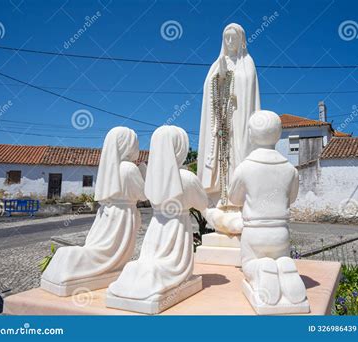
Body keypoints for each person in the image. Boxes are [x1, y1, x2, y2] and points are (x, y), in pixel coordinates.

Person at [41, 127, 145, 294]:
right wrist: (143, 172)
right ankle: (74, 262)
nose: (137, 148)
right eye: (135, 143)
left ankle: (67, 261)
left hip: (107, 213)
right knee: (111, 252)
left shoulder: (111, 167)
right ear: (127, 145)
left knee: (99, 246)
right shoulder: (128, 168)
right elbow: (143, 194)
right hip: (123, 215)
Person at [108, 126, 208, 300]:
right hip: (177, 228)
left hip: (156, 228)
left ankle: (141, 276)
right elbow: (202, 203)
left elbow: (144, 195)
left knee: (149, 260)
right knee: (169, 265)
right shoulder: (187, 177)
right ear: (179, 148)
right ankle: (154, 278)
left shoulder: (153, 179)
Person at [228, 111, 307, 307]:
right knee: (280, 257)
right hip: (280, 232)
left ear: (251, 134)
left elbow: (234, 198)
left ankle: (260, 269)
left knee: (248, 264)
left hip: (255, 232)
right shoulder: (290, 169)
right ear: (279, 134)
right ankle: (283, 265)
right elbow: (292, 198)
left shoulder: (245, 167)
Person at [198, 23, 260, 202]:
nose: (230, 41)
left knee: (238, 153)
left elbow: (247, 88)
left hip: (239, 117)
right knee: (221, 155)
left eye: (234, 37)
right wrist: (221, 76)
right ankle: (222, 196)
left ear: (241, 40)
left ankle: (238, 195)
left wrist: (231, 79)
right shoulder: (217, 64)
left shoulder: (247, 63)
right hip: (222, 120)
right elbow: (209, 87)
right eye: (227, 38)